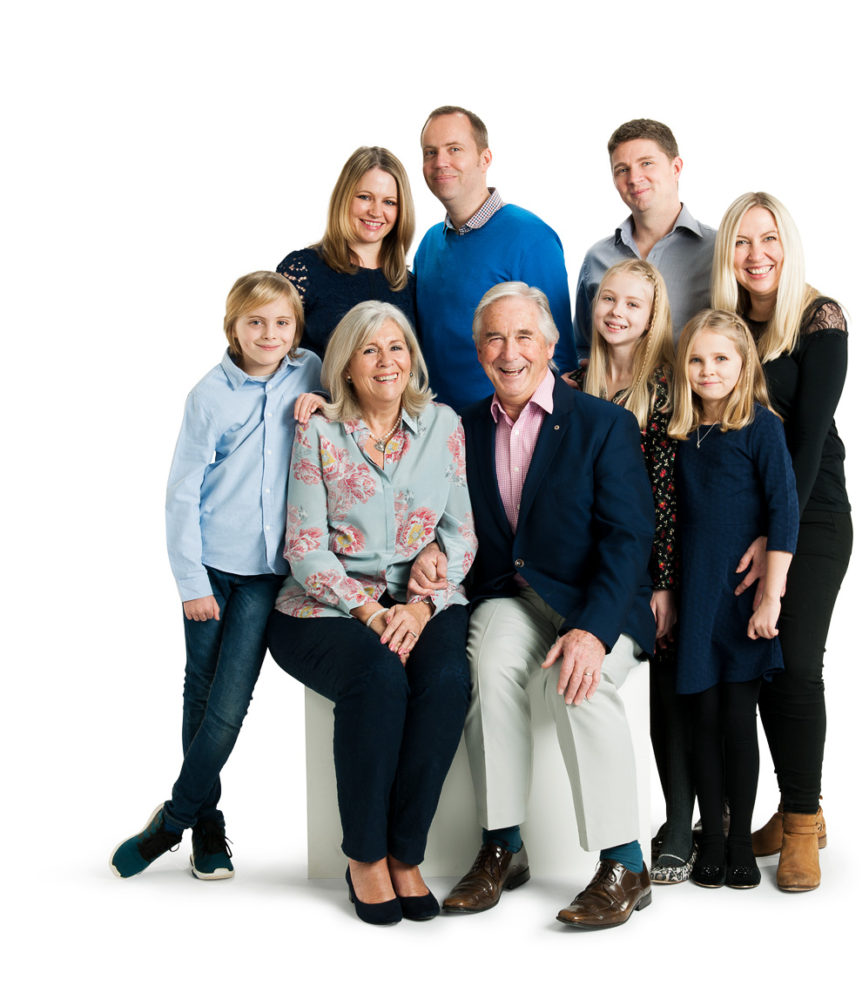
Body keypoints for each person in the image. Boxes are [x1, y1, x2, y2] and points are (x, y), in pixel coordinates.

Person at [415, 282, 655, 929]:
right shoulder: (461, 429)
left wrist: (592, 631)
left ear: (551, 344)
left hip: (597, 599)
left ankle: (625, 860)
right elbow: (448, 524)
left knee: (581, 679)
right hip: (512, 597)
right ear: (477, 349)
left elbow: (629, 539)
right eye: (494, 337)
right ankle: (504, 845)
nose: (509, 350)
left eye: (524, 335)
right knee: (487, 662)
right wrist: (431, 557)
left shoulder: (603, 424)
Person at [266, 301, 476, 926]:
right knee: (378, 681)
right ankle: (363, 854)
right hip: (325, 606)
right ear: (348, 367)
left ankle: (405, 852)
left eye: (398, 348)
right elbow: (304, 547)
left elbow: (461, 534)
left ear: (413, 358)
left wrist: (418, 603)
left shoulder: (443, 425)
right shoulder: (320, 432)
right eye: (370, 351)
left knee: (444, 683)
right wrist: (370, 612)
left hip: (423, 600)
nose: (387, 362)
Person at [110, 271, 322, 880]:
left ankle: (172, 819)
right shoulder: (208, 396)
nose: (270, 334)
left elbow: (349, 410)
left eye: (282, 323)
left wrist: (326, 402)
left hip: (264, 574)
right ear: (232, 327)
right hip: (210, 569)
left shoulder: (308, 372)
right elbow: (181, 494)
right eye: (255, 322)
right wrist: (191, 585)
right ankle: (209, 823)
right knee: (199, 694)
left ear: (296, 329)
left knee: (228, 706)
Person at [712, 192, 852, 892]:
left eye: (769, 239)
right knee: (764, 663)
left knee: (796, 663)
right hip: (744, 516)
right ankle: (804, 803)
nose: (757, 254)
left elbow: (808, 438)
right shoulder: (725, 326)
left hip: (811, 512)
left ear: (788, 246)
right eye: (742, 241)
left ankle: (800, 826)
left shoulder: (819, 319)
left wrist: (778, 536)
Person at [563, 260, 695, 883]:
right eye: (606, 299)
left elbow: (666, 498)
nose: (616, 312)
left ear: (651, 317)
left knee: (644, 687)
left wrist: (664, 583)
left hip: (642, 571)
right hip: (573, 566)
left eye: (632, 305)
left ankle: (657, 835)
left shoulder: (666, 392)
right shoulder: (567, 384)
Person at [667, 309, 799, 889]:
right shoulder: (678, 430)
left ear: (744, 364)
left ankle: (741, 839)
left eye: (721, 358)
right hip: (695, 595)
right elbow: (666, 520)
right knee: (701, 720)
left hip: (742, 598)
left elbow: (784, 511)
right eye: (696, 359)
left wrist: (771, 596)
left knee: (738, 721)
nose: (708, 370)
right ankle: (712, 839)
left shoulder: (763, 427)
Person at [414, 106, 577, 409]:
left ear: (484, 159)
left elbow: (560, 357)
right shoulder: (428, 245)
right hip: (438, 430)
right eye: (430, 152)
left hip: (506, 427)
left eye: (454, 149)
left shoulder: (531, 238)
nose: (440, 162)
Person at [574, 118, 716, 358]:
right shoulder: (597, 258)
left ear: (676, 168)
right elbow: (582, 349)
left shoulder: (718, 250)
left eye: (647, 163)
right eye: (622, 170)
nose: (633, 178)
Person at [277, 146, 417, 360]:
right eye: (364, 197)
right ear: (344, 198)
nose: (376, 211)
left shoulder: (410, 285)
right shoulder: (302, 271)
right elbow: (269, 353)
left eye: (389, 202)